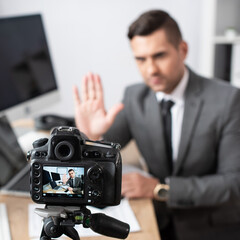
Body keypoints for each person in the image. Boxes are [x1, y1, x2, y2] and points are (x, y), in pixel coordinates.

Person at [72, 10, 240, 240]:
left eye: (159, 56)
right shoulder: (134, 97)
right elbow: (103, 154)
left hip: (210, 228)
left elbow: (232, 184)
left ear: (183, 50)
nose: (150, 69)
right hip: (155, 220)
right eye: (141, 59)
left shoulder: (229, 100)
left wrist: (158, 189)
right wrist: (91, 136)